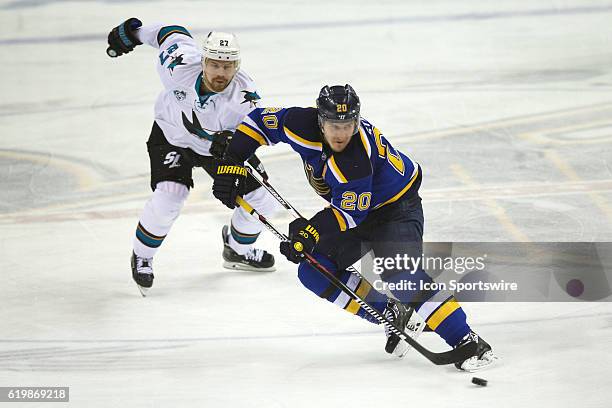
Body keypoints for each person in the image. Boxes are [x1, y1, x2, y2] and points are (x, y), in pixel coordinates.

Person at [211, 84, 497, 371]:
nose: (341, 133)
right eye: (334, 125)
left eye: (348, 125)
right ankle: (391, 313)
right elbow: (260, 121)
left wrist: (310, 232)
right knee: (313, 269)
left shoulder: (356, 160)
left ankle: (468, 342)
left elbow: (349, 215)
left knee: (401, 275)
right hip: (356, 210)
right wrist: (231, 160)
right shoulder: (299, 123)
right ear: (320, 121)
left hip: (395, 210)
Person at [106, 18, 278, 295]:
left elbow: (253, 137)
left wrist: (234, 151)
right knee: (170, 194)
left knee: (262, 199)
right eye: (214, 64)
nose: (220, 72)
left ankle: (237, 250)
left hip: (216, 151)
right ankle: (143, 256)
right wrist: (134, 34)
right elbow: (168, 33)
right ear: (203, 61)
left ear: (237, 66)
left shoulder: (245, 99)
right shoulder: (179, 64)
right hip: (170, 137)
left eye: (227, 66)